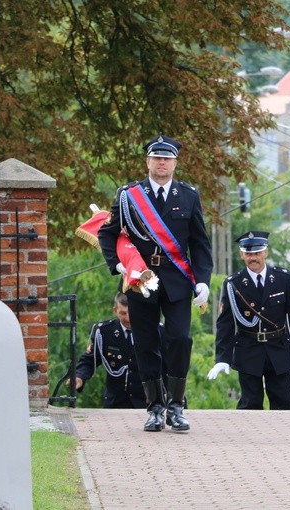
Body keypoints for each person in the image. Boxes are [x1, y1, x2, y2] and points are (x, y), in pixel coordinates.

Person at [98, 134, 212, 432]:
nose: (161, 163)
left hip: (176, 281)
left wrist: (203, 281)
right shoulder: (128, 195)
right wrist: (120, 265)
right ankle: (155, 408)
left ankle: (176, 405)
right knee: (146, 344)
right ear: (147, 161)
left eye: (167, 158)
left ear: (175, 162)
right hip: (140, 282)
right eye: (156, 158)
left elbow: (200, 243)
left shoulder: (188, 195)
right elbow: (107, 233)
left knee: (180, 339)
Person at [209, 231, 290, 409]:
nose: (253, 258)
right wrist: (222, 358)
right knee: (251, 405)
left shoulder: (283, 278)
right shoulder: (233, 283)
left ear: (266, 252)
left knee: (284, 403)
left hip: (278, 349)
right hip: (248, 351)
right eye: (248, 254)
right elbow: (225, 324)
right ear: (242, 255)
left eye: (257, 253)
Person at [71, 292, 146, 409]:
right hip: (116, 403)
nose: (128, 318)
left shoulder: (153, 331)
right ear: (115, 311)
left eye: (132, 312)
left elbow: (167, 365)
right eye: (123, 313)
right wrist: (79, 376)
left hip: (146, 402)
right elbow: (90, 360)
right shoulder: (104, 332)